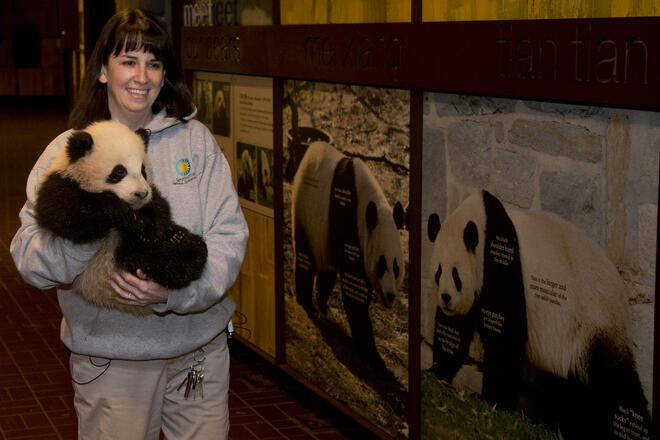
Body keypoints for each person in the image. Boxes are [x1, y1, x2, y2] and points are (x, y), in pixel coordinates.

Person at [10, 9, 248, 440]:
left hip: (198, 354)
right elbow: (29, 260)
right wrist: (87, 233)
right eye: (127, 61)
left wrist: (176, 291)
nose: (142, 75)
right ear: (102, 71)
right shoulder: (70, 151)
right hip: (113, 360)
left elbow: (230, 237)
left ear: (164, 74)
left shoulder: (196, 143)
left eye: (154, 63)